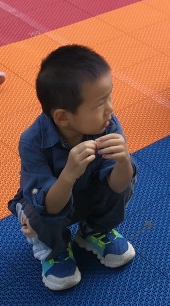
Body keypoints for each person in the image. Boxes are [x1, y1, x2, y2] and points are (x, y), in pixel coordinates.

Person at [9, 45, 137, 291]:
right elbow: (49, 206)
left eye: (109, 97)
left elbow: (119, 186)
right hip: (50, 203)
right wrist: (68, 174)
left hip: (87, 193)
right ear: (63, 117)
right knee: (35, 210)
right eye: (99, 104)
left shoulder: (107, 124)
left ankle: (94, 231)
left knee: (129, 172)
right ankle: (54, 249)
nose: (110, 109)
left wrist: (123, 160)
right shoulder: (32, 142)